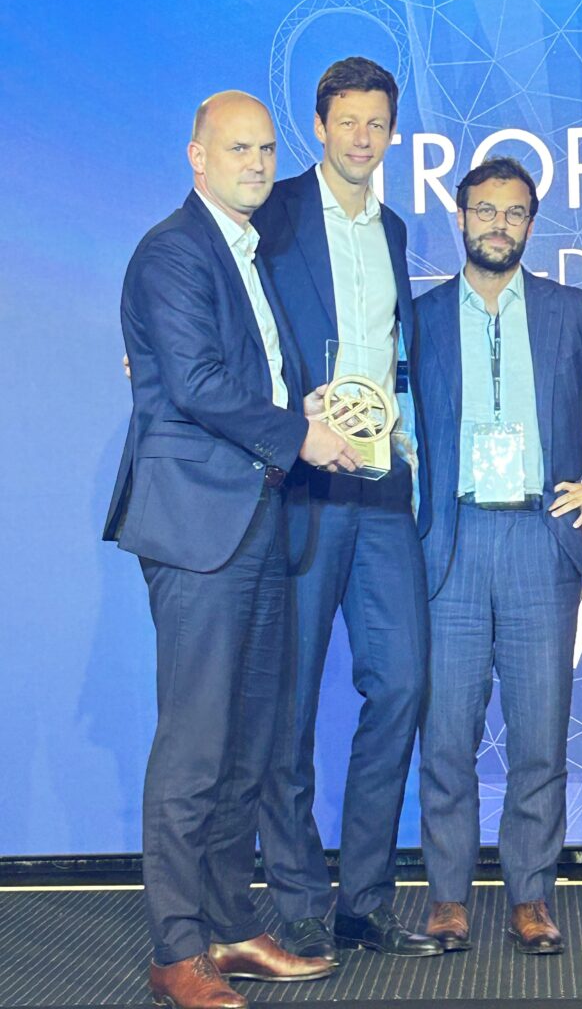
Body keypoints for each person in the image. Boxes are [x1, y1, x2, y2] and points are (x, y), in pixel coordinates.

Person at [104, 91, 359, 1009]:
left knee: (249, 744)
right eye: (237, 148)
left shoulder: (250, 253)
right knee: (195, 747)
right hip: (197, 525)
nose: (256, 163)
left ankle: (228, 926)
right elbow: (200, 385)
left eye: (265, 149)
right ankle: (176, 949)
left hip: (259, 518)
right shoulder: (173, 251)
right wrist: (301, 436)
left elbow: (248, 379)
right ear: (196, 156)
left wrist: (303, 408)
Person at [414, 156, 582, 955]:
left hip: (539, 543)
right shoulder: (416, 318)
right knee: (445, 737)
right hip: (449, 548)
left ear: (531, 222)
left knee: (538, 739)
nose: (499, 224)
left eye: (514, 212)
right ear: (460, 217)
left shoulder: (572, 312)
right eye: (485, 210)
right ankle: (447, 898)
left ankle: (531, 896)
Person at [253, 58, 441, 961]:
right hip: (303, 488)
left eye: (377, 124)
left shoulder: (393, 228)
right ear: (319, 127)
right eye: (348, 122)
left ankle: (364, 900)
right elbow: (227, 307)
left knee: (401, 684)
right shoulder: (276, 211)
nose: (363, 138)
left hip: (383, 488)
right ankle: (298, 900)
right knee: (286, 705)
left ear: (392, 134)